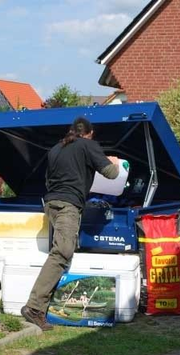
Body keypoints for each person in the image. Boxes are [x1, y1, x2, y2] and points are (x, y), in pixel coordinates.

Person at [20, 117, 119, 330]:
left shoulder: (56, 149)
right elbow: (111, 174)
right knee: (62, 253)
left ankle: (50, 304)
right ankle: (34, 307)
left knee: (63, 251)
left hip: (51, 203)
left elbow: (48, 180)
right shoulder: (88, 145)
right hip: (68, 205)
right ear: (89, 133)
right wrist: (115, 163)